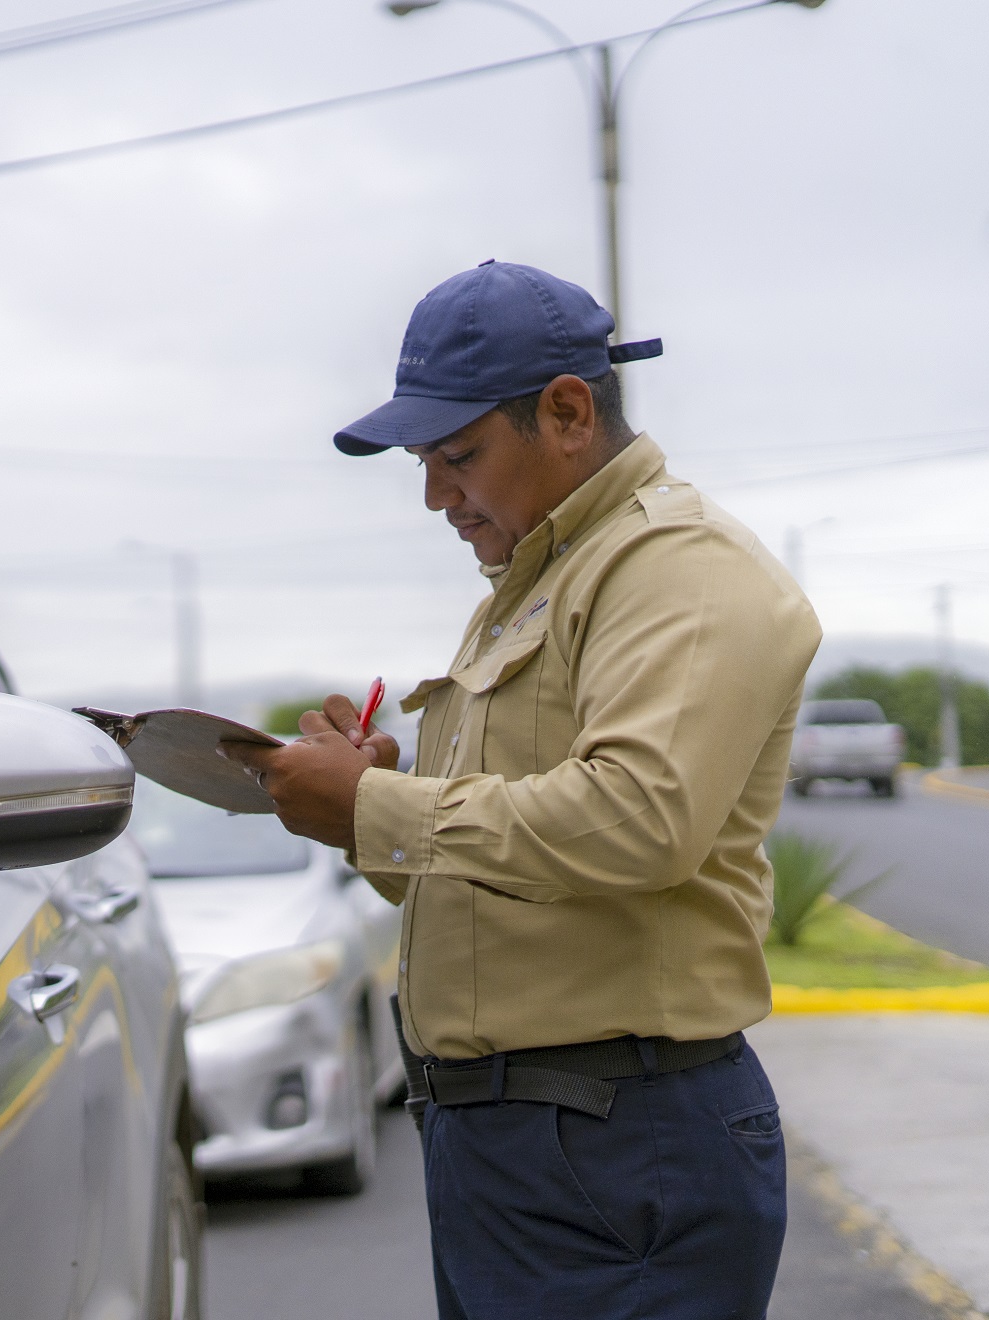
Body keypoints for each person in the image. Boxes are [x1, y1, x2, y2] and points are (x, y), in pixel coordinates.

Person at [227, 261, 821, 1319]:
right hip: (515, 1146)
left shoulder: (676, 567)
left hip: (618, 1139)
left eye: (458, 457)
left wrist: (376, 811)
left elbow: (639, 823)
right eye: (424, 462)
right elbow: (498, 879)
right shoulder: (532, 586)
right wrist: (365, 809)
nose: (435, 496)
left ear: (567, 411)